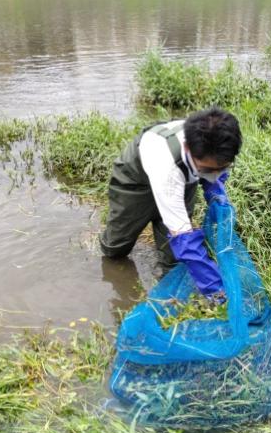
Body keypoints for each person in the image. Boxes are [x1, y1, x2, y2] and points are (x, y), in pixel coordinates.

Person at [100, 107, 241, 302]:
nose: (215, 173)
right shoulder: (167, 170)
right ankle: (114, 243)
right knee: (115, 248)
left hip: (184, 177)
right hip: (136, 181)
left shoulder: (212, 143)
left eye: (222, 168)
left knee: (173, 260)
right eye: (208, 169)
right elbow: (184, 239)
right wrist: (217, 291)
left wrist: (215, 191)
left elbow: (212, 172)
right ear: (186, 148)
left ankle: (170, 296)